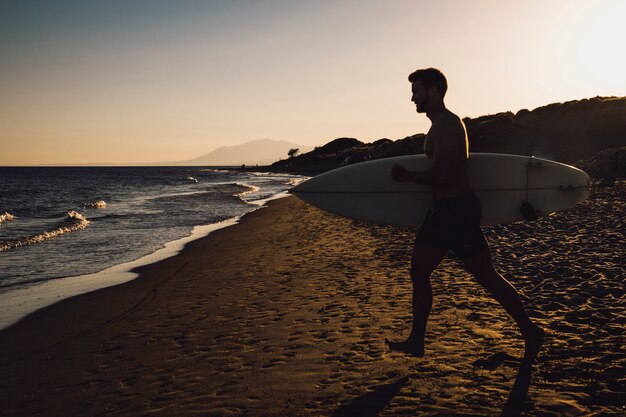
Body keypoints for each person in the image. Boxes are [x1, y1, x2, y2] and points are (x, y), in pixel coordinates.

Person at [386, 68, 544, 364]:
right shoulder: (438, 126)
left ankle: (531, 332)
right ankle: (417, 340)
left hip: (457, 210)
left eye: (416, 91)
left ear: (433, 91)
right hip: (442, 213)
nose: (412, 98)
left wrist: (407, 176)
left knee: (486, 276)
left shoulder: (447, 125)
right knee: (419, 272)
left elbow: (446, 174)